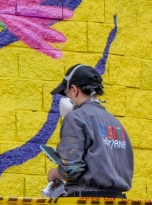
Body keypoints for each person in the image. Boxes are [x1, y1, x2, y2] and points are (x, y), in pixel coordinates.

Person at [47, 64, 133, 198]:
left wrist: (54, 173)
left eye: (66, 92)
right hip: (117, 199)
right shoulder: (115, 123)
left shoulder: (75, 117)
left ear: (74, 90)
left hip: (85, 199)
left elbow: (71, 169)